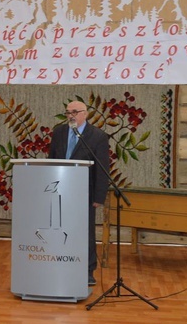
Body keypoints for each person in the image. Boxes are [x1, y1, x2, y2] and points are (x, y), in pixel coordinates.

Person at [48, 100, 109, 287]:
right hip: (60, 189)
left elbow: (102, 168)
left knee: (85, 232)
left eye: (75, 112)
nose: (71, 116)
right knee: (59, 228)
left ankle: (88, 270)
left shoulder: (97, 136)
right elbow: (51, 159)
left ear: (85, 114)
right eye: (68, 112)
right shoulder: (59, 132)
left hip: (85, 191)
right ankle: (60, 264)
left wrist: (99, 197)